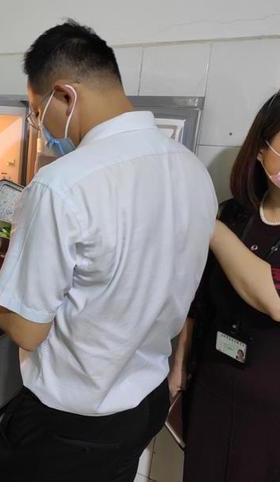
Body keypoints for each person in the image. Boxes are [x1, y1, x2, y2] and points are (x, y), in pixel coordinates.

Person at [0, 20, 217, 481]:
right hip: (142, 404)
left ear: (64, 95)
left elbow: (28, 331)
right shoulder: (192, 169)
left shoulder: (61, 184)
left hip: (67, 427)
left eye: (38, 112)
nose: (40, 128)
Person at [170, 90, 280, 482]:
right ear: (262, 148)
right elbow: (198, 301)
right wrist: (179, 366)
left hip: (271, 412)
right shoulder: (234, 213)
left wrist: (210, 229)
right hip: (213, 389)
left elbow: (275, 299)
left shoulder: (217, 225)